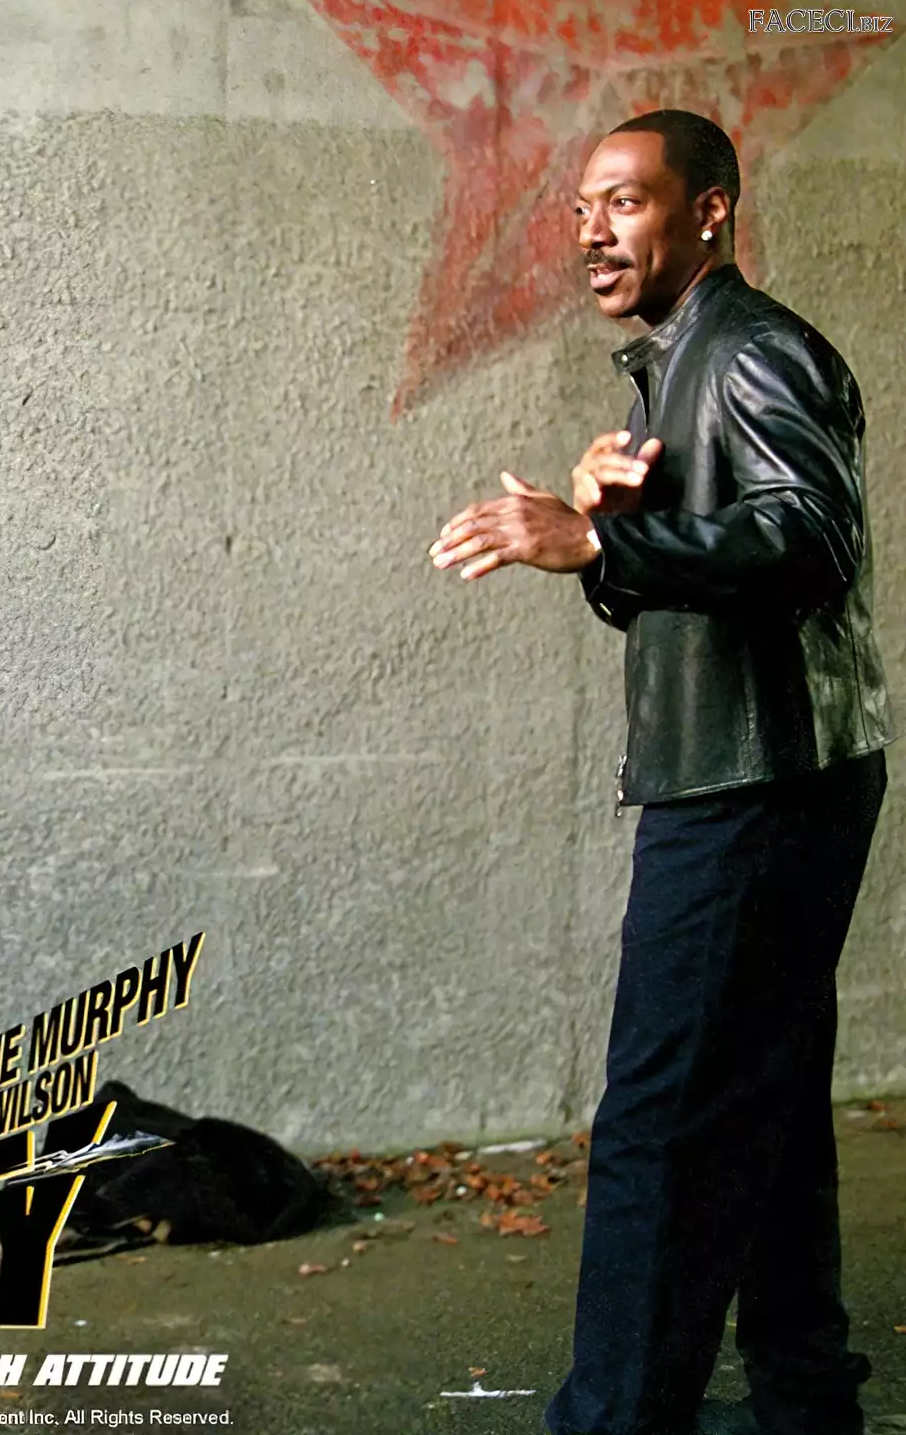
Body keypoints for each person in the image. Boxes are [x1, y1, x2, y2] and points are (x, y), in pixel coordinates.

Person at [427, 109, 890, 1435]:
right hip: (754, 772)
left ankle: (618, 1420)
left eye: (626, 202)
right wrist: (618, 536)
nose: (593, 232)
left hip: (755, 785)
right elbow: (685, 580)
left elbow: (812, 541)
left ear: (710, 212)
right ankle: (806, 1398)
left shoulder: (752, 351)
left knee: (661, 1119)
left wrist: (600, 544)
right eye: (583, 208)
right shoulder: (675, 362)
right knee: (766, 1098)